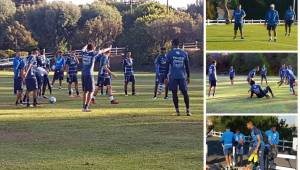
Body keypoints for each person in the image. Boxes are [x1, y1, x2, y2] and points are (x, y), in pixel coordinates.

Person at [165, 39, 191, 116]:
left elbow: (166, 66)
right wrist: (188, 76)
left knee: (174, 93)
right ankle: (188, 111)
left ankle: (177, 112)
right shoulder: (184, 53)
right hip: (182, 76)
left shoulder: (169, 53)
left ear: (172, 44)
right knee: (185, 93)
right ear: (178, 44)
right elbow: (187, 66)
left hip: (173, 76)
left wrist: (165, 77)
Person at [80, 44, 109, 112]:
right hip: (89, 75)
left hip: (83, 74)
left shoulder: (83, 53)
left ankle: (83, 107)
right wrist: (108, 48)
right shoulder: (92, 53)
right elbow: (102, 51)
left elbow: (83, 49)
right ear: (93, 48)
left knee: (85, 91)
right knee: (91, 91)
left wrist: (86, 45)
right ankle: (86, 107)